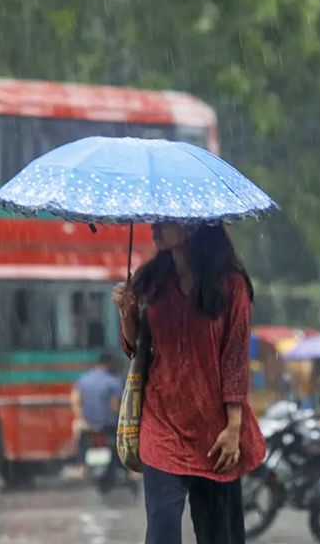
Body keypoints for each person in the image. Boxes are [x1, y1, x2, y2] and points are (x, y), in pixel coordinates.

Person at [112, 222, 265, 544]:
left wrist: (233, 427)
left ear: (193, 227)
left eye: (166, 221)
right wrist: (127, 315)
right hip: (161, 424)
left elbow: (235, 357)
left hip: (215, 432)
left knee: (217, 535)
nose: (155, 226)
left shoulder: (231, 285)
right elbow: (136, 348)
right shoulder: (152, 281)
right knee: (162, 531)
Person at [71, 351, 123, 481]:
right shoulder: (114, 381)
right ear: (109, 364)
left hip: (87, 425)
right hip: (108, 425)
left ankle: (80, 465)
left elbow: (75, 401)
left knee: (81, 438)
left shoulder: (83, 379)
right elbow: (115, 406)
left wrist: (81, 418)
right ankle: (125, 469)